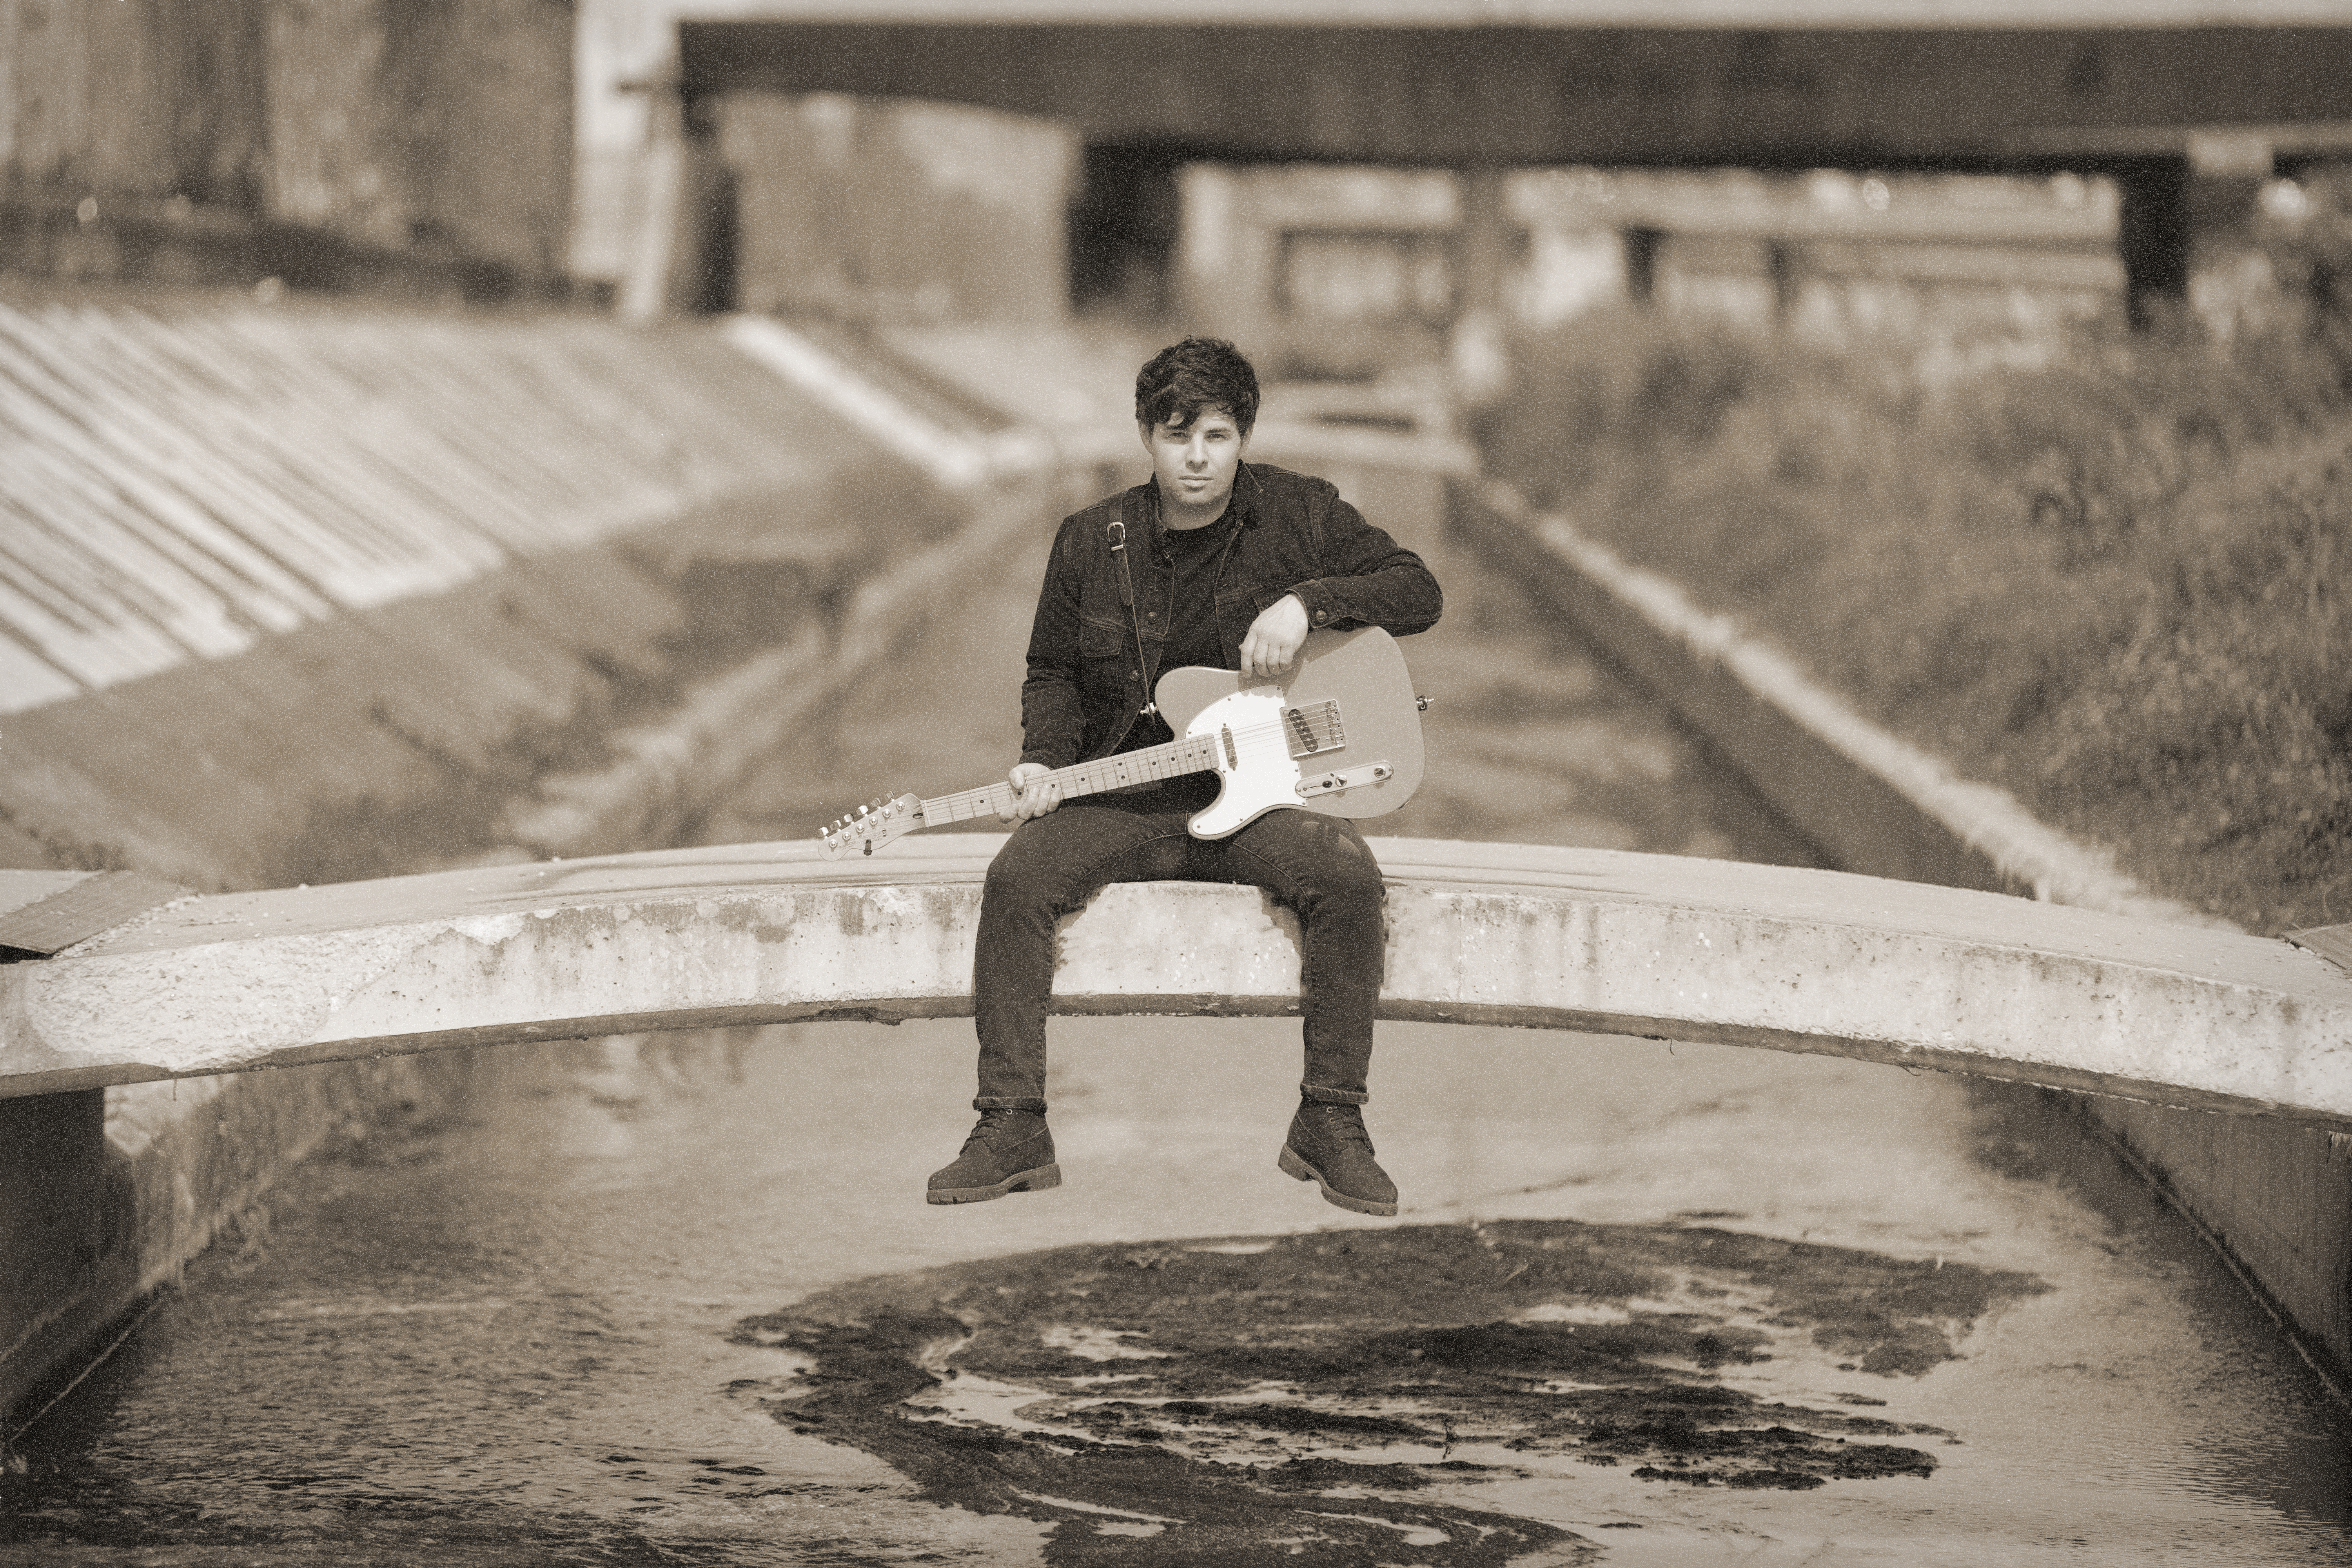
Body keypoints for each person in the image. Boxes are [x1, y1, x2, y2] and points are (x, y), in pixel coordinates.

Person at [926, 337, 1442, 1216]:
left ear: (1242, 434)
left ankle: (1331, 1121)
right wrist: (1046, 761)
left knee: (1349, 878)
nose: (1197, 457)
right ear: (1145, 436)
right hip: (1124, 793)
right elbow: (1051, 670)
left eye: (1216, 434)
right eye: (1177, 436)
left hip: (1261, 804)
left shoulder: (1301, 513)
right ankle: (1011, 1124)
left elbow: (1416, 589)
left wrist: (1306, 602)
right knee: (1016, 877)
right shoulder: (1091, 539)